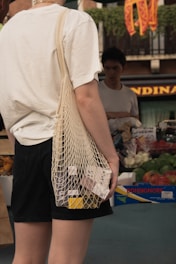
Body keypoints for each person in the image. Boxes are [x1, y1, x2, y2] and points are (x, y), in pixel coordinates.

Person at [0, 1, 119, 264]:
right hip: (72, 151)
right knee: (65, 257)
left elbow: (6, 99)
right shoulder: (76, 22)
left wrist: (18, 144)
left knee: (26, 257)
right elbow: (86, 98)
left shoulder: (8, 30)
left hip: (26, 148)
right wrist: (110, 156)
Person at [99, 47, 140, 131]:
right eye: (107, 68)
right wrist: (124, 115)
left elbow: (136, 121)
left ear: (123, 68)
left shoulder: (130, 94)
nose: (111, 73)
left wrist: (110, 115)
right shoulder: (96, 91)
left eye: (115, 68)